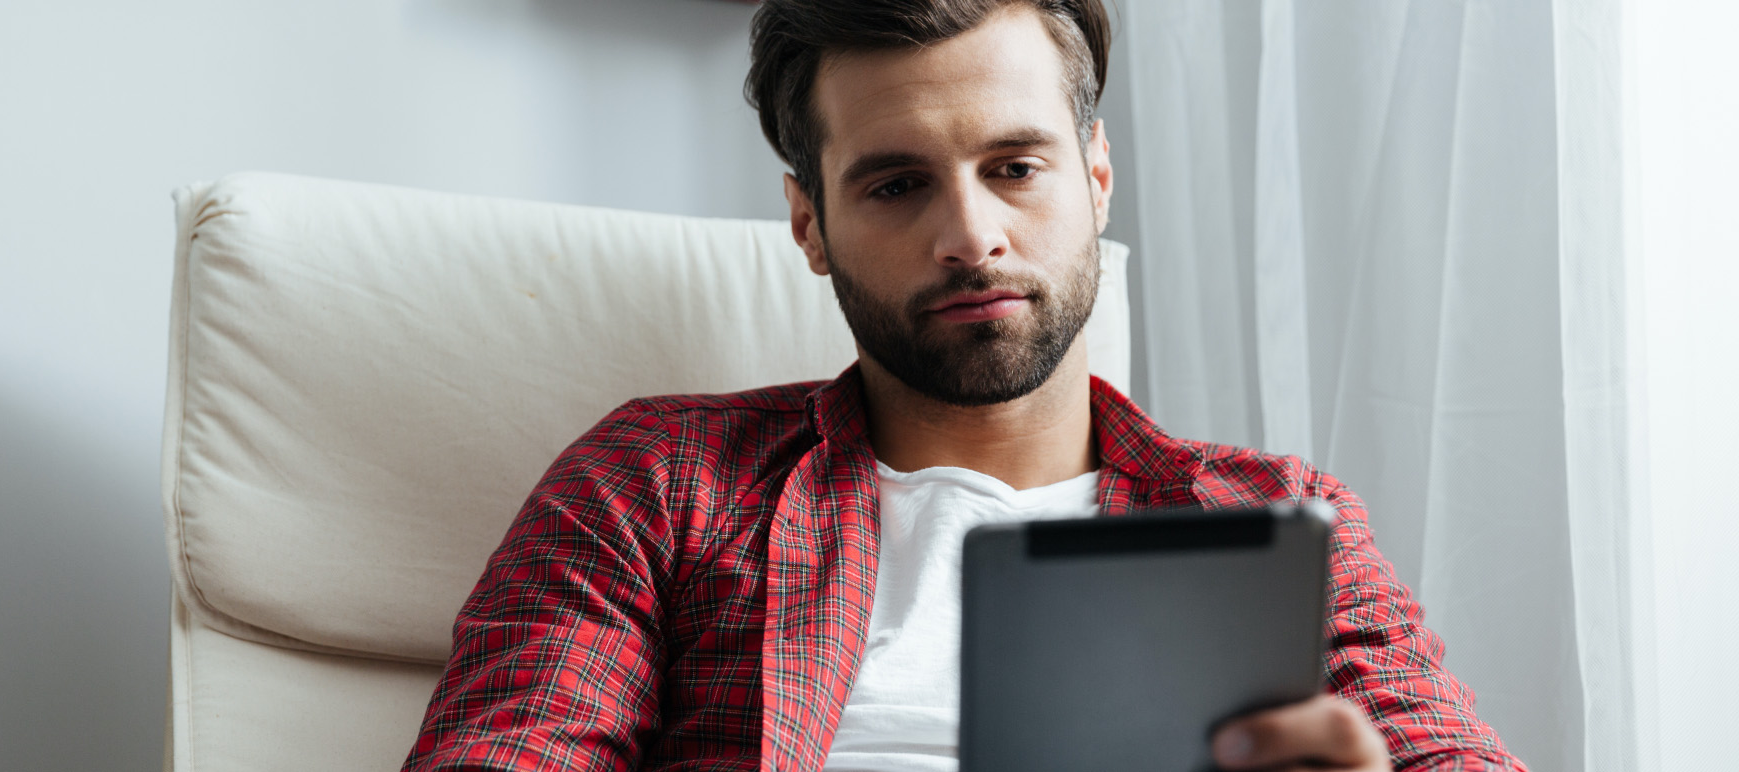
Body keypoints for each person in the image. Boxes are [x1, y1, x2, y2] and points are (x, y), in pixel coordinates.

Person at [402, 1, 1525, 770]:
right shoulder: (659, 482)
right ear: (810, 224)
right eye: (897, 184)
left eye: (1015, 167)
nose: (970, 236)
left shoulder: (1265, 520)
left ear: (1095, 175)